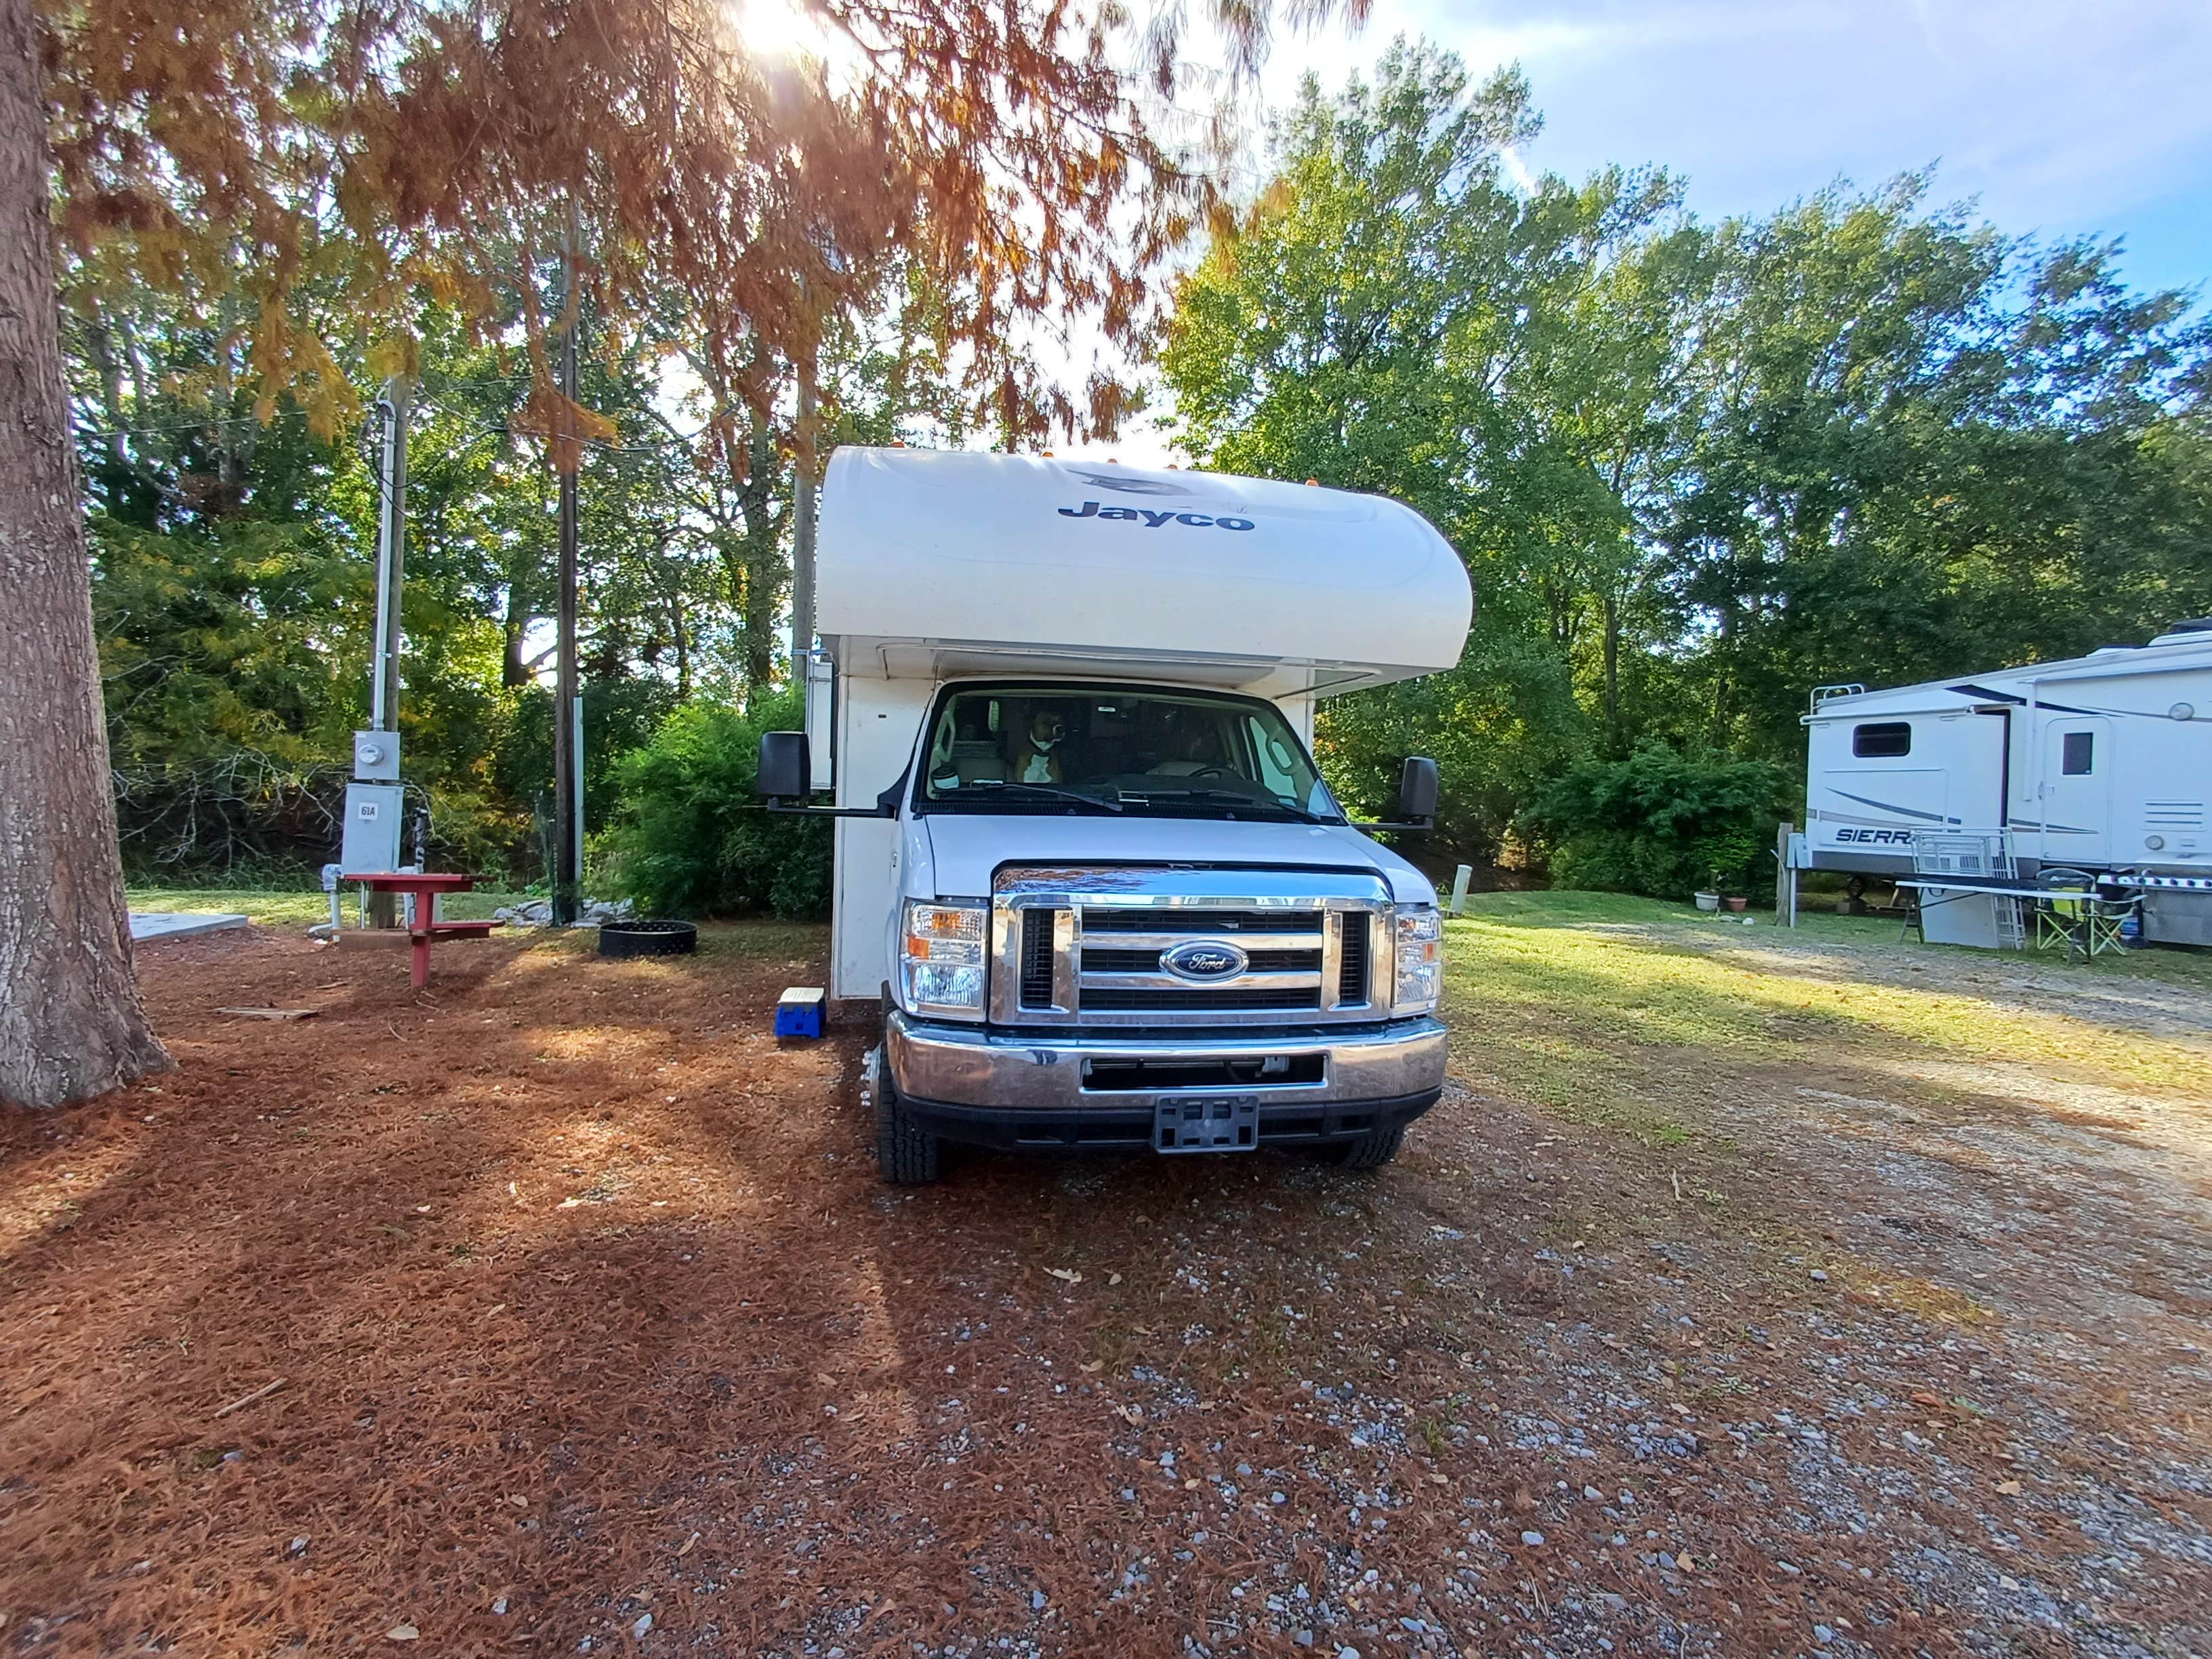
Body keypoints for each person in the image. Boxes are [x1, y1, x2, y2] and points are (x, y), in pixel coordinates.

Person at [1012, 708, 1066, 783]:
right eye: (1046, 723)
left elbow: (1057, 793)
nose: (1056, 727)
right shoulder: (1023, 760)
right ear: (1033, 724)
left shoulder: (1054, 762)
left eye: (1059, 723)